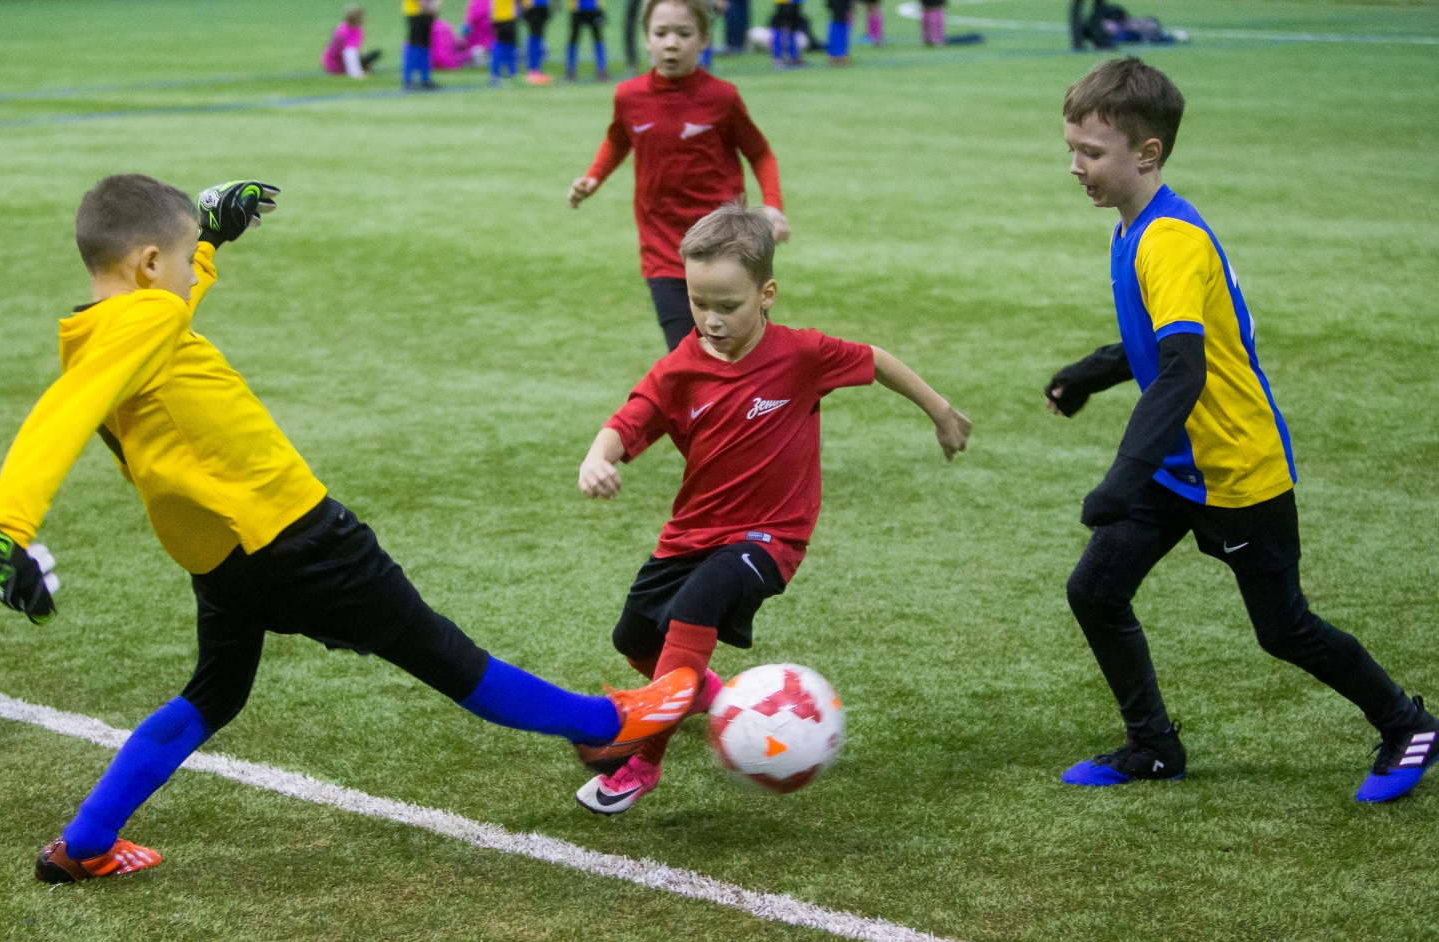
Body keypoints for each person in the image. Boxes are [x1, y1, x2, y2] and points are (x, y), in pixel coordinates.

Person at [0, 174, 698, 883]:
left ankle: (86, 841)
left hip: (225, 556)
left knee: (214, 694)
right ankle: (606, 726)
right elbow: (61, 414)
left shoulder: (102, 330)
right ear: (150, 264)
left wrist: (210, 240)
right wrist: (9, 528)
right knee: (438, 648)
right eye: (186, 258)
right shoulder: (143, 322)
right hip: (295, 534)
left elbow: (154, 323)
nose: (192, 277)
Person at [1049, 58, 1436, 801]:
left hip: (1237, 468)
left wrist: (1120, 478)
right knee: (1096, 589)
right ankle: (1153, 747)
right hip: (1177, 465)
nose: (1075, 167)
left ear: (1148, 154)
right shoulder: (1134, 228)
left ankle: (1408, 724)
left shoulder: (1170, 239)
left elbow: (1184, 372)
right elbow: (1163, 340)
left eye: (1091, 152)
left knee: (1284, 629)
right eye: (1072, 149)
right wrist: (1091, 374)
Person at [573, 204, 972, 814]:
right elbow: (630, 420)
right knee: (633, 638)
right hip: (689, 535)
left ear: (767, 295)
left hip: (769, 539)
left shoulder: (801, 355)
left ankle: (641, 762)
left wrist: (941, 412)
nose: (710, 319)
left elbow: (875, 360)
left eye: (727, 305)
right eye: (698, 302)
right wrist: (596, 458)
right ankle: (709, 694)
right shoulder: (680, 370)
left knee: (698, 605)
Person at [568, 0, 789, 352]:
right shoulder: (629, 96)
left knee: (749, 357)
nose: (671, 43)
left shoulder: (722, 97)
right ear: (647, 39)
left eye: (684, 33)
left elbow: (760, 153)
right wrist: (593, 178)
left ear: (703, 39)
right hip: (663, 252)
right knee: (689, 358)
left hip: (728, 247)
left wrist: (773, 205)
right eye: (661, 33)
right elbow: (618, 139)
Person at [322, 5, 383, 77]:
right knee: (372, 56)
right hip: (340, 65)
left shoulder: (342, 26)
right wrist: (356, 72)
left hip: (329, 62)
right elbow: (349, 51)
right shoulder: (355, 31)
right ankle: (361, 67)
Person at [567, 0, 610, 80]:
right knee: (574, 39)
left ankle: (601, 70)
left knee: (597, 38)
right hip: (581, 9)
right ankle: (571, 71)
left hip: (590, 9)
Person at [402, 0, 440, 89]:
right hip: (416, 13)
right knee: (416, 46)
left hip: (425, 13)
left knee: (425, 46)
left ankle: (424, 79)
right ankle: (409, 79)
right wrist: (428, 6)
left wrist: (432, 6)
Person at [488, 0, 521, 83]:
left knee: (503, 45)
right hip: (507, 17)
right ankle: (510, 73)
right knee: (508, 46)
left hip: (497, 17)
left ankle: (497, 73)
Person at [524, 0, 555, 81]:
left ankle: (535, 70)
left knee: (537, 37)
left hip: (541, 6)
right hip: (533, 6)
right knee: (535, 37)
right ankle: (533, 71)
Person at [769, 0, 806, 67]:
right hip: (783, 9)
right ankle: (779, 59)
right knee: (780, 33)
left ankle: (792, 58)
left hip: (792, 9)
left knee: (791, 33)